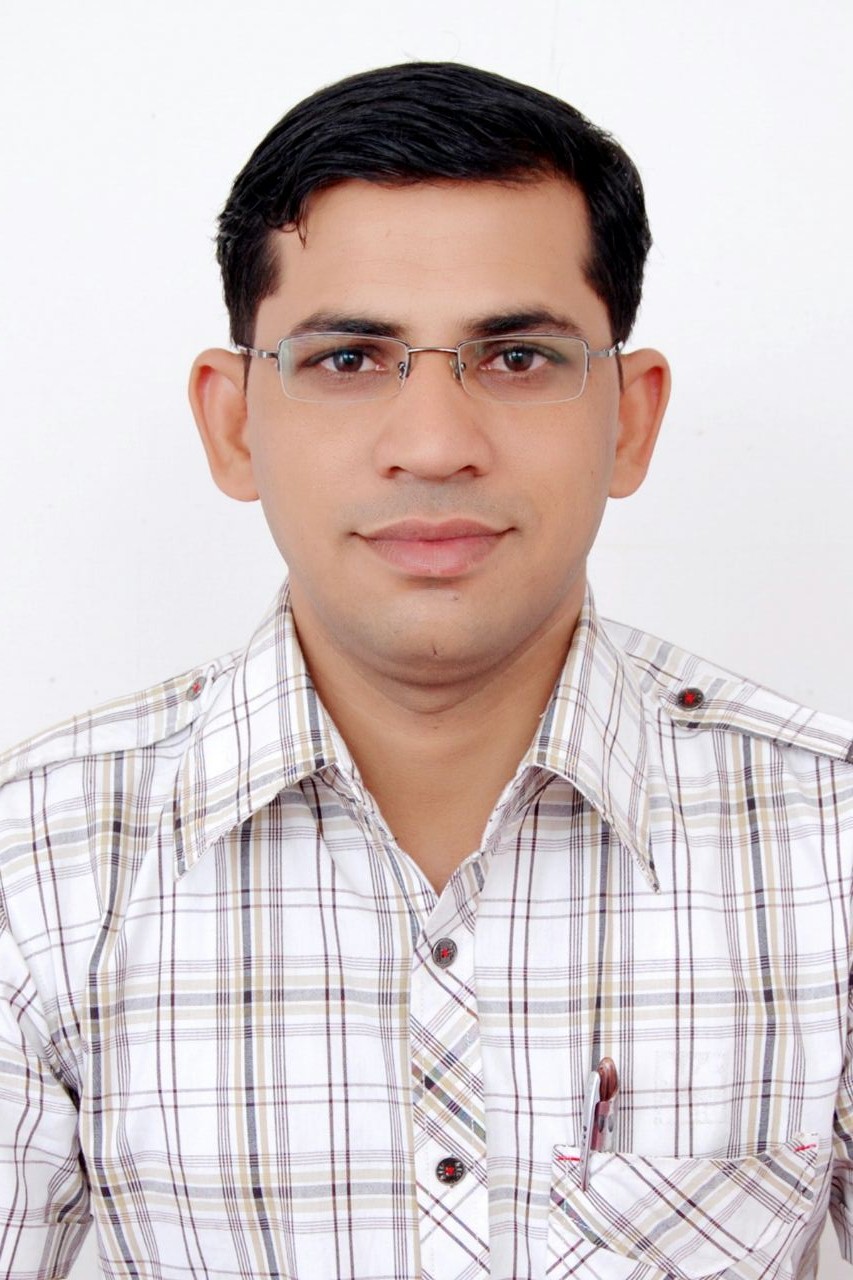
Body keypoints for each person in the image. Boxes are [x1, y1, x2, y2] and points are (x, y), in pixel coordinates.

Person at [1, 60, 851, 1280]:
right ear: (234, 422)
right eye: (351, 359)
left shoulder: (827, 838)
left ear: (630, 417)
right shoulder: (40, 862)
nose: (437, 444)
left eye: (518, 357)